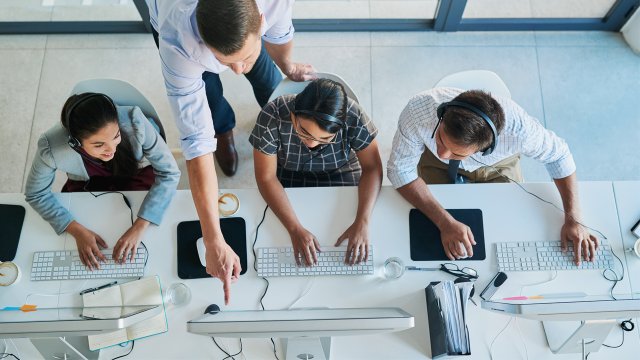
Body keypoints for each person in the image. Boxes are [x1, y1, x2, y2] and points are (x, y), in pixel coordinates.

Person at [146, 0, 315, 304]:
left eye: (244, 57)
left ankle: (268, 91)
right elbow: (196, 145)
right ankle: (224, 131)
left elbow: (279, 34)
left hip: (239, 35)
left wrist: (287, 65)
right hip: (174, 16)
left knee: (267, 75)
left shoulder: (273, 3)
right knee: (209, 97)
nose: (237, 71)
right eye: (227, 61)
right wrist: (213, 239)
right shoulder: (177, 40)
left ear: (261, 18)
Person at [387, 87, 598, 265]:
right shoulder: (418, 111)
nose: (444, 153)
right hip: (433, 163)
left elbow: (559, 156)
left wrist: (574, 218)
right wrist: (444, 222)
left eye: (457, 152)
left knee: (506, 227)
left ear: (485, 148)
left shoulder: (520, 131)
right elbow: (400, 170)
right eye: (441, 138)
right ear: (442, 116)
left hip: (498, 165)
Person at [25, 93, 180, 270]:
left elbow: (170, 173)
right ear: (75, 142)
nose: (111, 149)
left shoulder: (134, 120)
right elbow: (36, 193)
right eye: (99, 145)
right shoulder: (51, 146)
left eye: (116, 136)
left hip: (135, 174)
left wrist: (140, 225)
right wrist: (75, 229)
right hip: (89, 182)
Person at [250, 78, 382, 266]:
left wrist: (363, 221)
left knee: (341, 225)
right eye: (304, 131)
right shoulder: (272, 115)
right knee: (278, 235)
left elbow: (372, 168)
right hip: (289, 173)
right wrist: (294, 229)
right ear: (293, 115)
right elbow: (266, 177)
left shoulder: (354, 115)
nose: (312, 143)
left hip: (341, 170)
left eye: (325, 138)